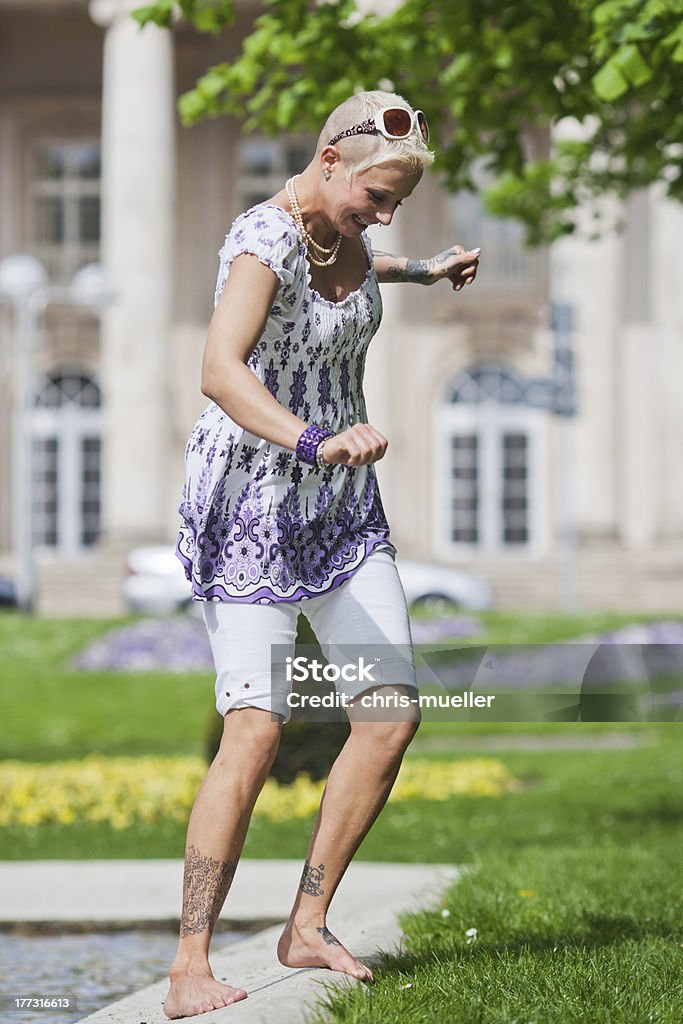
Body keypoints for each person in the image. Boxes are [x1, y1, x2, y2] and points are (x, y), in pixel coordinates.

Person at [164, 89, 480, 1019]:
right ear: (329, 160)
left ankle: (307, 922)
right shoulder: (262, 242)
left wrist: (422, 267)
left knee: (387, 714)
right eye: (377, 195)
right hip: (253, 505)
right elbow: (220, 370)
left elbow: (353, 264)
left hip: (341, 515)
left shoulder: (346, 236)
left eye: (398, 204)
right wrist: (312, 439)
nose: (383, 214)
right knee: (255, 729)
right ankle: (189, 966)